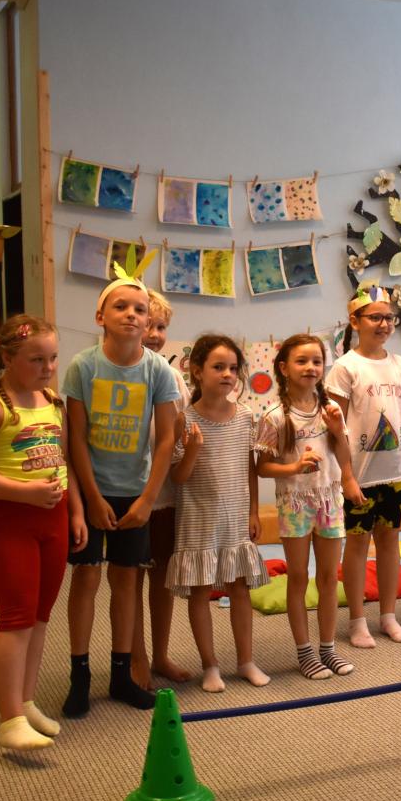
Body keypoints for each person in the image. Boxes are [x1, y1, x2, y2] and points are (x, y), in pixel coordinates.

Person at [0, 315, 87, 750]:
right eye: (36, 360)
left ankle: (26, 702)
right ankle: (9, 718)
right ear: (7, 358)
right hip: (9, 523)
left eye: (53, 358)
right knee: (16, 619)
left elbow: (62, 462)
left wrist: (75, 512)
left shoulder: (51, 401)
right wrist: (24, 493)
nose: (48, 368)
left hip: (52, 522)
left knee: (40, 617)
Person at [61, 264, 179, 717]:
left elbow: (166, 439)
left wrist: (148, 499)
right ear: (100, 316)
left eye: (140, 310)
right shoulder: (83, 366)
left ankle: (120, 673)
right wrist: (91, 499)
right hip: (93, 490)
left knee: (126, 581)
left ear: (148, 321)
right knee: (87, 579)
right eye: (121, 307)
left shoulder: (157, 371)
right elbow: (75, 438)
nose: (132, 315)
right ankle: (80, 675)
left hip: (135, 494)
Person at [256, 334, 362, 679]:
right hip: (295, 503)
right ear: (284, 368)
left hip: (329, 500)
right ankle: (305, 652)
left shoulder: (331, 410)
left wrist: (337, 431)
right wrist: (294, 467)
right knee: (299, 576)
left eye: (317, 361)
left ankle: (328, 649)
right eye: (301, 361)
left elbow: (343, 454)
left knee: (330, 577)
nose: (311, 367)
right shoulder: (274, 416)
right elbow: (262, 467)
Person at [168, 334, 270, 692]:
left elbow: (249, 469)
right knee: (199, 592)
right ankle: (210, 665)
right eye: (218, 367)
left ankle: (246, 661)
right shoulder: (185, 419)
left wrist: (254, 511)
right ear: (197, 371)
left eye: (232, 368)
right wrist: (193, 449)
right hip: (198, 520)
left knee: (239, 588)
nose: (227, 374)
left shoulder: (245, 416)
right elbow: (178, 477)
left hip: (235, 518)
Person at [327, 285, 401, 648]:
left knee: (389, 543)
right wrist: (346, 476)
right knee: (356, 545)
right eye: (375, 317)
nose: (384, 324)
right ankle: (357, 620)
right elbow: (334, 428)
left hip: (395, 475)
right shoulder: (345, 367)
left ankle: (388, 615)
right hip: (360, 478)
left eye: (389, 318)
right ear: (355, 321)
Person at [130, 287, 192, 689]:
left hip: (166, 494)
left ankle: (161, 654)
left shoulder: (171, 375)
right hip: (130, 493)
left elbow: (182, 427)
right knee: (131, 581)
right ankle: (135, 658)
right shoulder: (118, 372)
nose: (154, 334)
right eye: (148, 325)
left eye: (161, 327)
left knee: (162, 579)